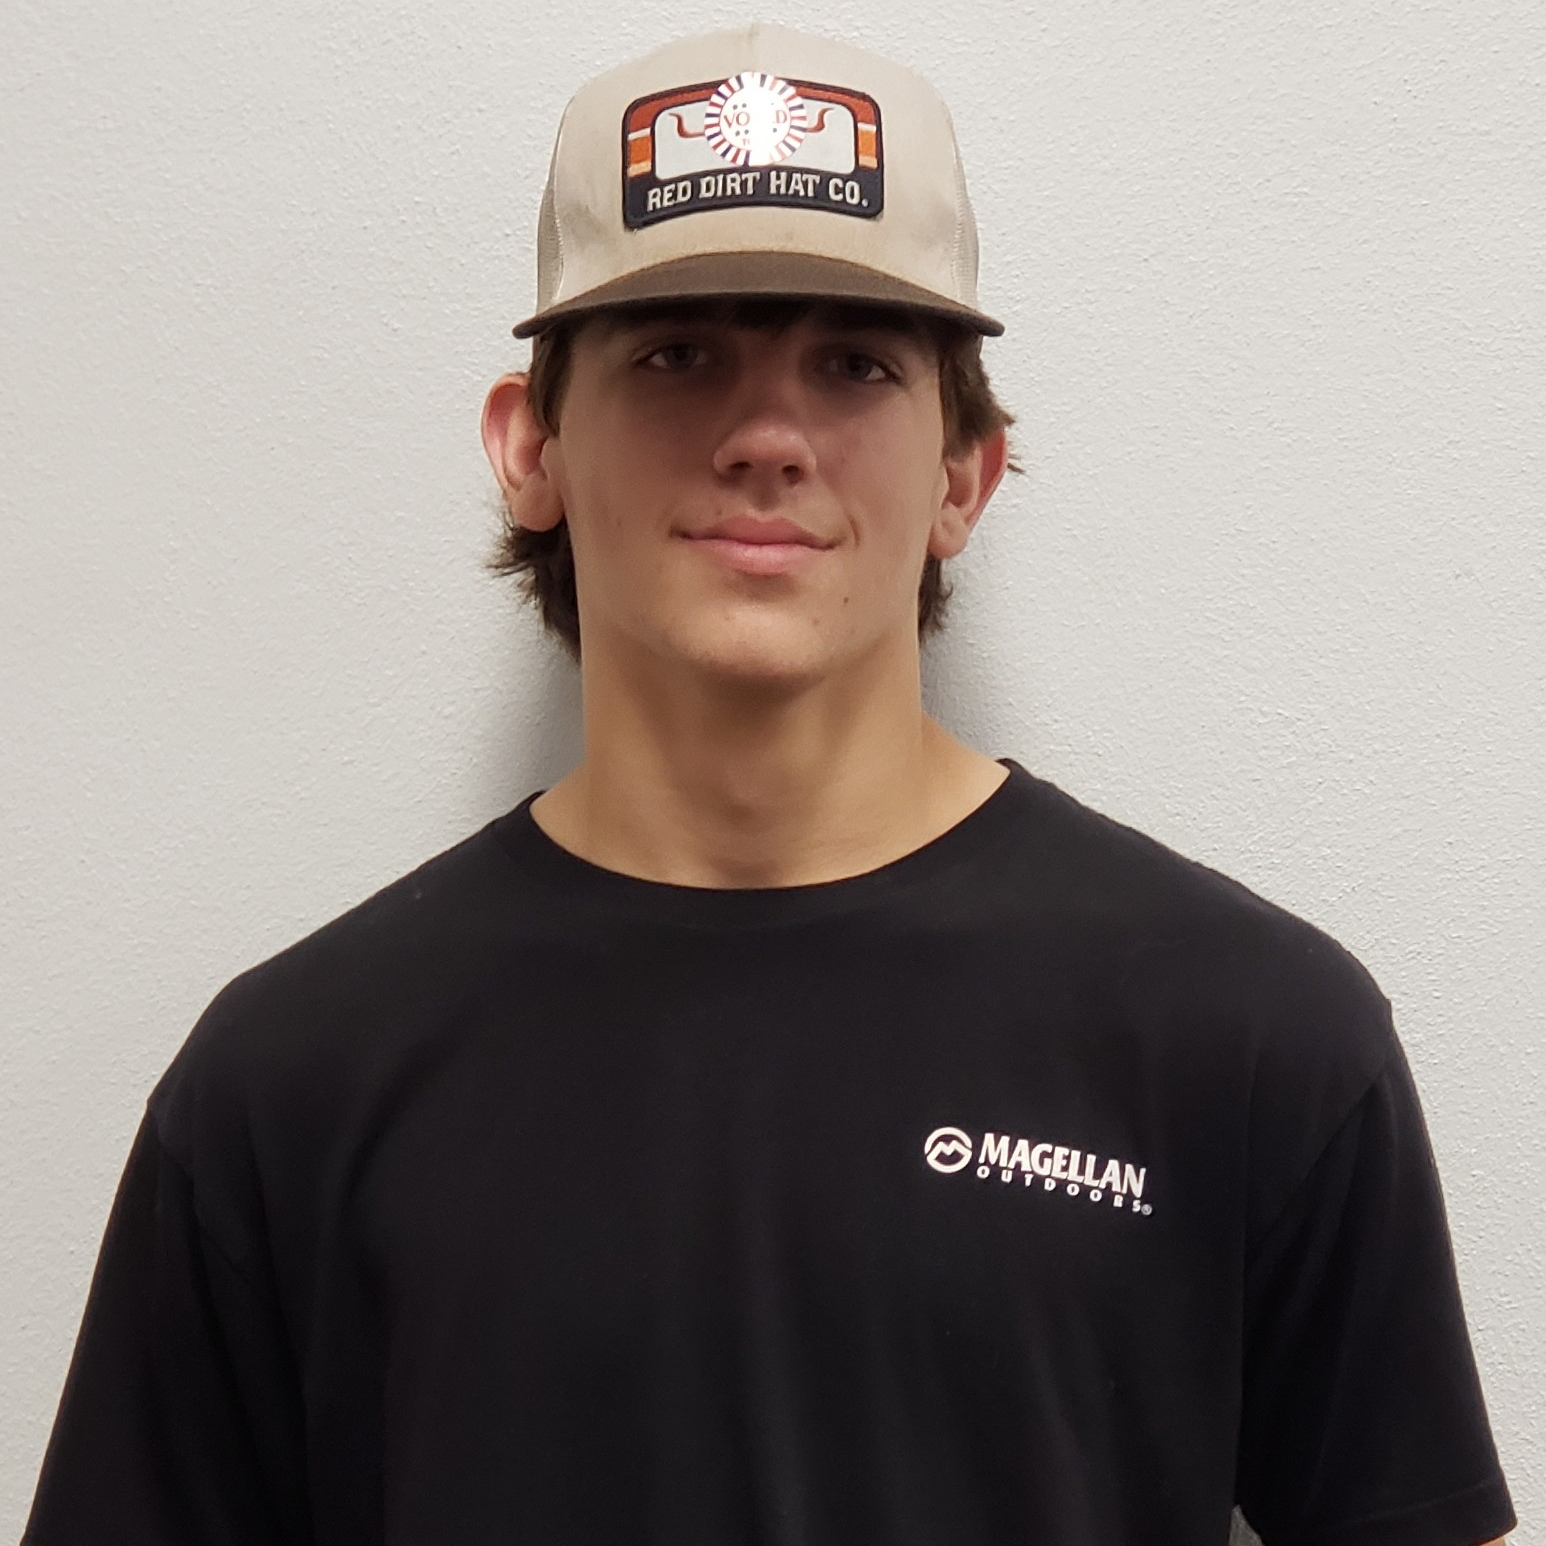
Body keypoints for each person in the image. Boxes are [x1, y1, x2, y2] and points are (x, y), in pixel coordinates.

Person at [21, 23, 1516, 1546]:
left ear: (962, 474)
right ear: (527, 443)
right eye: (677, 355)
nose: (765, 438)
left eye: (853, 363)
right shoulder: (292, 1079)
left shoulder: (1247, 1029)